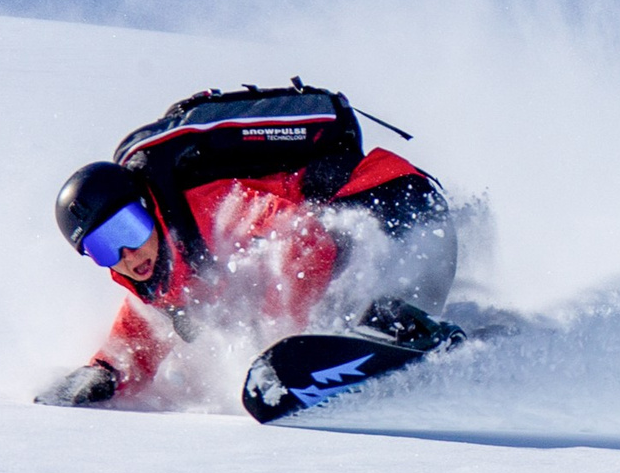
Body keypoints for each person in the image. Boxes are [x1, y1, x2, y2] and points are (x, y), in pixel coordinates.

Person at [37, 83, 457, 406]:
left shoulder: (208, 209)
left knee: (341, 290)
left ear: (148, 207)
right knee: (336, 304)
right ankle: (416, 333)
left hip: (397, 204)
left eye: (127, 228)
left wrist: (280, 340)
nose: (126, 255)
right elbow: (142, 330)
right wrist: (105, 372)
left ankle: (416, 333)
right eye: (103, 248)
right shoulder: (165, 276)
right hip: (399, 231)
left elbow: (305, 240)